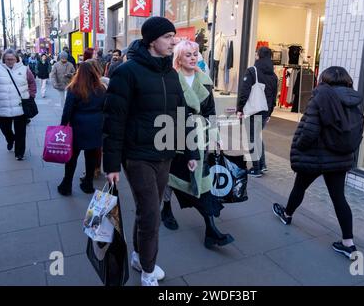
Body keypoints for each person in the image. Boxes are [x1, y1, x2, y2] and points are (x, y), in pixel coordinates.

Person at [103, 17, 199, 286]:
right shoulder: (127, 72)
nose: (173, 41)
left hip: (164, 154)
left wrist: (191, 153)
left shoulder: (171, 74)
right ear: (151, 40)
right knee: (151, 214)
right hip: (137, 156)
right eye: (168, 36)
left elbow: (182, 114)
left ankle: (137, 255)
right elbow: (114, 120)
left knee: (149, 210)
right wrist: (110, 165)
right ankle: (148, 269)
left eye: (174, 36)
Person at [272, 66, 363, 259]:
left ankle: (287, 215)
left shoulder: (320, 96)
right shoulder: (354, 101)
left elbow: (309, 131)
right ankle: (349, 243)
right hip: (339, 157)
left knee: (300, 187)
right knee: (339, 198)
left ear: (324, 79)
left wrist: (300, 146)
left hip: (316, 155)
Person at [160, 40, 235, 249]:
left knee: (202, 181)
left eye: (195, 54)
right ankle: (166, 208)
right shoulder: (170, 79)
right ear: (179, 58)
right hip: (173, 134)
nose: (193, 58)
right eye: (188, 55)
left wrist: (215, 133)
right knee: (172, 176)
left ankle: (211, 229)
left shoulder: (205, 81)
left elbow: (210, 110)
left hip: (199, 136)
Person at [57, 61, 107, 196]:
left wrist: (63, 126)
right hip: (96, 125)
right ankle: (88, 184)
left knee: (72, 157)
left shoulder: (73, 88)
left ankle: (66, 185)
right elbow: (105, 108)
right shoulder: (101, 88)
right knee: (91, 156)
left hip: (78, 126)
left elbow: (67, 111)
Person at [0, 49, 37, 160]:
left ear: (16, 59)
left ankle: (19, 153)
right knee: (4, 128)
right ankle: (10, 139)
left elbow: (32, 82)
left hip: (20, 105)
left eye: (12, 59)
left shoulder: (24, 69)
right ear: (4, 59)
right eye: (7, 59)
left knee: (21, 132)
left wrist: (31, 95)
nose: (10, 61)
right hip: (3, 105)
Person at [236, 46, 278, 177]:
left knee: (252, 139)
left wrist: (239, 109)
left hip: (253, 111)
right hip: (265, 112)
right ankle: (262, 165)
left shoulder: (252, 71)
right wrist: (270, 113)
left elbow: (244, 92)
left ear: (259, 55)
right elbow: (274, 96)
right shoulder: (274, 75)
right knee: (257, 137)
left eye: (256, 53)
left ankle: (256, 168)